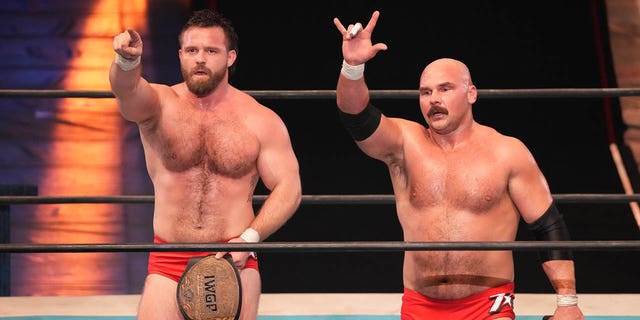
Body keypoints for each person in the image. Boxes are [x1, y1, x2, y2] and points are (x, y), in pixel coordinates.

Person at [333, 11, 584, 320]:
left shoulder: (507, 151)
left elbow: (549, 226)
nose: (433, 99)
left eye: (445, 89)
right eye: (426, 92)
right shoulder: (404, 144)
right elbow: (355, 117)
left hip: (487, 304)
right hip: (419, 304)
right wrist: (353, 67)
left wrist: (567, 301)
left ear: (471, 93)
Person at [110, 9, 302, 320]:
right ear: (181, 56)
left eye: (211, 51)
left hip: (233, 258)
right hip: (168, 258)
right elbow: (126, 90)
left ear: (230, 57)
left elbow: (289, 188)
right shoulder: (158, 105)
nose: (200, 58)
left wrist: (250, 238)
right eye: (192, 50)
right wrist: (127, 62)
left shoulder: (260, 120)